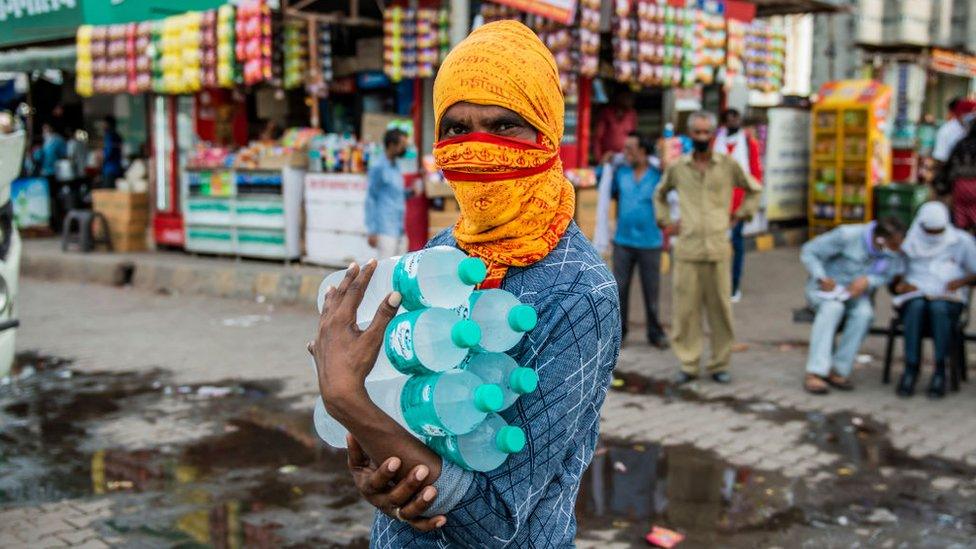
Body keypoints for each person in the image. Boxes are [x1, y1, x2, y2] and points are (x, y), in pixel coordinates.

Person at [309, 20, 620, 547]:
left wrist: (346, 398)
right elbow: (408, 416)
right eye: (457, 128)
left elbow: (495, 522)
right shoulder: (441, 252)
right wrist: (377, 466)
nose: (478, 148)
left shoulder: (579, 294)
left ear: (548, 137)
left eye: (505, 126)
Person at [653, 111, 762, 385]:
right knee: (685, 311)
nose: (701, 137)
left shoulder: (727, 165)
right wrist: (666, 222)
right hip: (687, 249)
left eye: (706, 132)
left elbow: (754, 189)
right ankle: (688, 363)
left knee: (721, 311)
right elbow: (660, 194)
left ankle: (719, 363)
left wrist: (741, 215)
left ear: (713, 135)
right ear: (690, 135)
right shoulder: (678, 167)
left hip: (718, 249)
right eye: (697, 132)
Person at [799, 217, 906, 395]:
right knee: (833, 309)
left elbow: (888, 274)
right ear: (881, 240)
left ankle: (839, 369)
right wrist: (821, 277)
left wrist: (868, 281)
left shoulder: (892, 251)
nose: (897, 249)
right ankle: (816, 371)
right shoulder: (847, 235)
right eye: (893, 244)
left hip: (853, 295)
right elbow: (809, 251)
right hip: (824, 292)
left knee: (864, 314)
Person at [892, 202, 976, 398]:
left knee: (938, 308)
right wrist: (902, 284)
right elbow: (896, 277)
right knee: (916, 307)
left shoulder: (960, 241)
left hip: (948, 298)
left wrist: (961, 281)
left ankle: (940, 369)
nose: (934, 236)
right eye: (929, 232)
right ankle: (911, 368)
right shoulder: (908, 243)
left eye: (938, 232)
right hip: (916, 295)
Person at [607, 132, 668, 349]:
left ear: (643, 151)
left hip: (650, 242)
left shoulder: (658, 174)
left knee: (651, 290)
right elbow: (608, 191)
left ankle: (655, 332)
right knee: (620, 288)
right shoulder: (621, 173)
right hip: (623, 241)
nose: (626, 153)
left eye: (630, 149)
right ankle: (620, 332)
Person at [713, 108, 763, 303]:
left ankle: (734, 285)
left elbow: (756, 174)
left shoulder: (749, 143)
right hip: (717, 204)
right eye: (729, 118)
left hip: (739, 204)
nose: (733, 121)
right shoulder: (715, 141)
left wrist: (748, 206)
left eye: (736, 118)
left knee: (736, 244)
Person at [364, 128, 408, 259]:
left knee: (400, 272)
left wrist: (411, 192)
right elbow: (371, 198)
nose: (405, 149)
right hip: (385, 230)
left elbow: (396, 195)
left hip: (400, 228)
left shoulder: (396, 166)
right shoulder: (378, 167)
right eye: (402, 145)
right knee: (385, 272)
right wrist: (372, 230)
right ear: (391, 145)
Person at [934, 120, 976, 232]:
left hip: (960, 186)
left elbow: (950, 166)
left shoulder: (961, 144)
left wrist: (942, 188)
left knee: (960, 219)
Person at [932, 97, 976, 170]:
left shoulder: (971, 129)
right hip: (955, 174)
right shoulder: (946, 131)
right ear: (961, 114)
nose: (973, 117)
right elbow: (940, 159)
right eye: (971, 113)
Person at [594, 87, 637, 160]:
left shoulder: (632, 114)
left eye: (631, 98)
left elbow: (633, 138)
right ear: (619, 97)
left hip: (625, 158)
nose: (630, 100)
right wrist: (599, 158)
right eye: (627, 97)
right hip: (607, 158)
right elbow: (598, 137)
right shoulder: (606, 113)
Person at [101, 116, 123, 186]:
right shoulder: (118, 136)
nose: (103, 126)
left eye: (104, 124)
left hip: (109, 170)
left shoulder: (109, 136)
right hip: (117, 168)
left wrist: (101, 160)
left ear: (108, 124)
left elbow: (108, 153)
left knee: (108, 193)